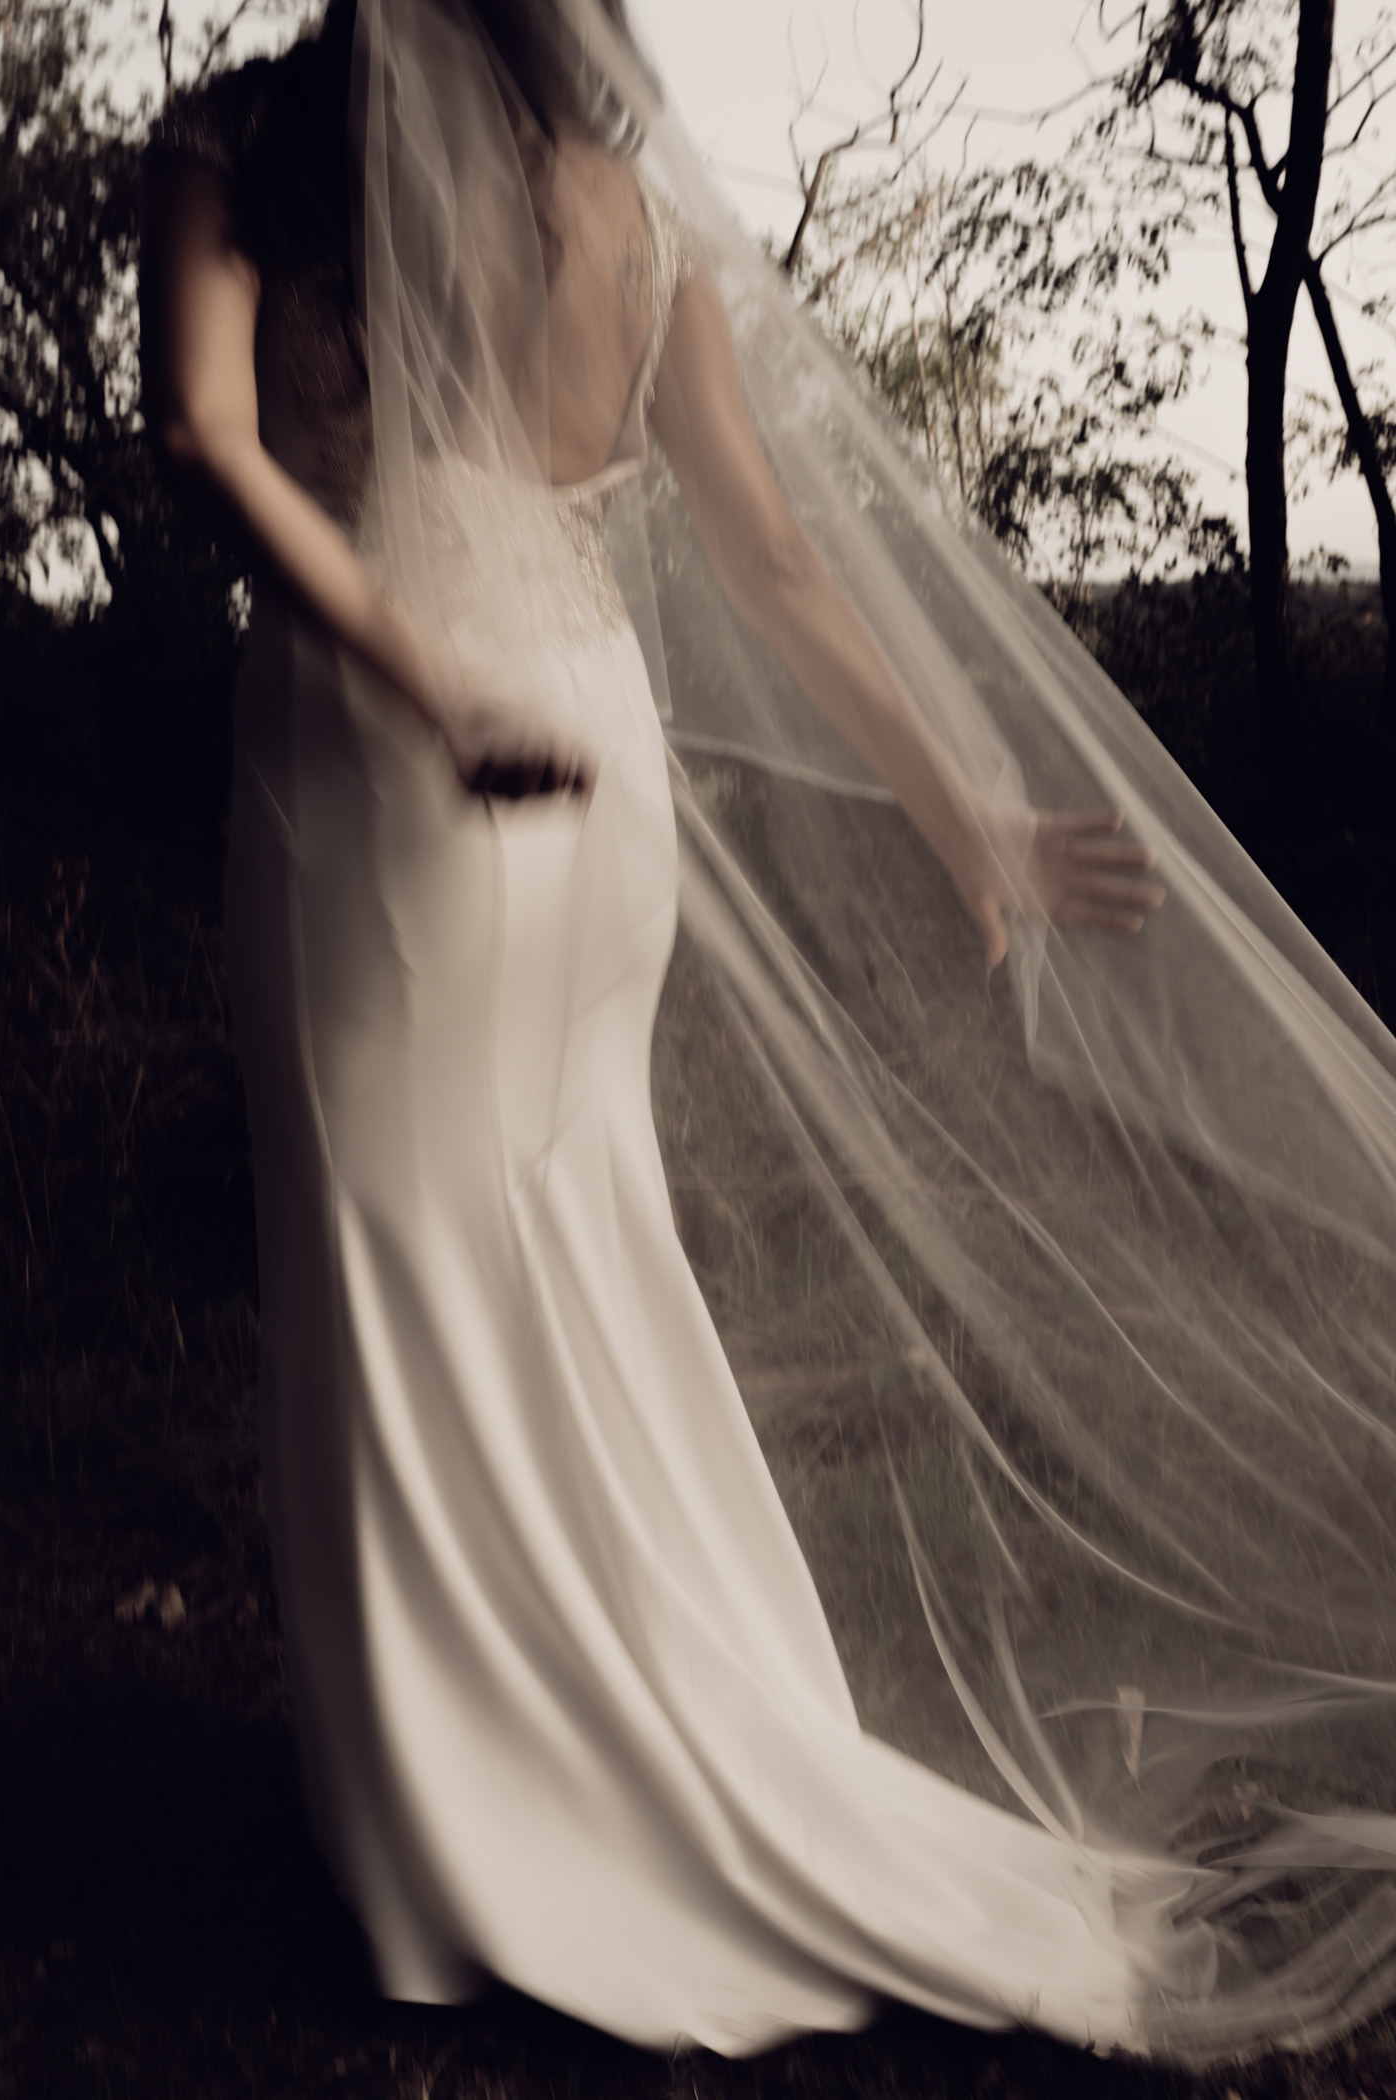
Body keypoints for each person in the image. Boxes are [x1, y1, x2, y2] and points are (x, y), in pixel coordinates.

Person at [140, 0, 1396, 2065]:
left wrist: (425, 689)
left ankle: (474, 1838)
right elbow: (774, 552)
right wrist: (961, 803)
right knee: (584, 1252)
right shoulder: (621, 204)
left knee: (401, 1270)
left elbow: (207, 438)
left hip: (396, 764)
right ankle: (686, 1743)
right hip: (598, 747)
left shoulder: (238, 143)